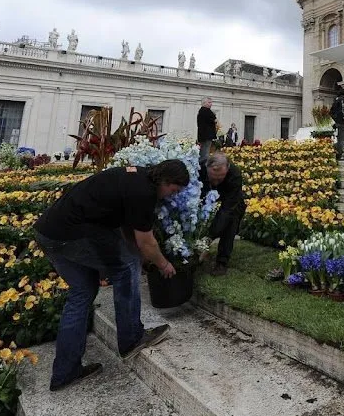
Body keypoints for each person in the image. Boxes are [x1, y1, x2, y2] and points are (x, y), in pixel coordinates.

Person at [34, 160, 190, 392]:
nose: (171, 196)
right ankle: (131, 338)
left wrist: (137, 254)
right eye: (174, 190)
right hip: (69, 235)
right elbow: (146, 242)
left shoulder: (137, 177)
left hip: (47, 232)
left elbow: (127, 230)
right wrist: (163, 264)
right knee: (127, 267)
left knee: (82, 292)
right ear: (166, 182)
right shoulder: (144, 193)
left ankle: (65, 372)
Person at [202, 153, 244, 276]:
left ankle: (222, 261)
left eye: (219, 179)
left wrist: (210, 236)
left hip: (230, 198)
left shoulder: (235, 175)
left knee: (231, 219)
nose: (216, 182)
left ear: (227, 169)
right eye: (213, 178)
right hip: (204, 192)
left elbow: (227, 209)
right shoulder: (201, 169)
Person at [196, 97, 218, 167]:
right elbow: (215, 120)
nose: (211, 104)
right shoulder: (206, 111)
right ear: (204, 103)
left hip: (203, 135)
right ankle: (203, 169)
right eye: (209, 102)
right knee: (205, 154)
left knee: (203, 152)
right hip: (207, 136)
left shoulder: (201, 111)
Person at [330, 87, 344, 155]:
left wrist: (335, 118)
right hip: (341, 121)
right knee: (341, 137)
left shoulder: (336, 100)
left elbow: (331, 111)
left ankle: (337, 152)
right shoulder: (342, 100)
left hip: (336, 121)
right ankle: (340, 153)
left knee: (338, 137)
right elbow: (343, 111)